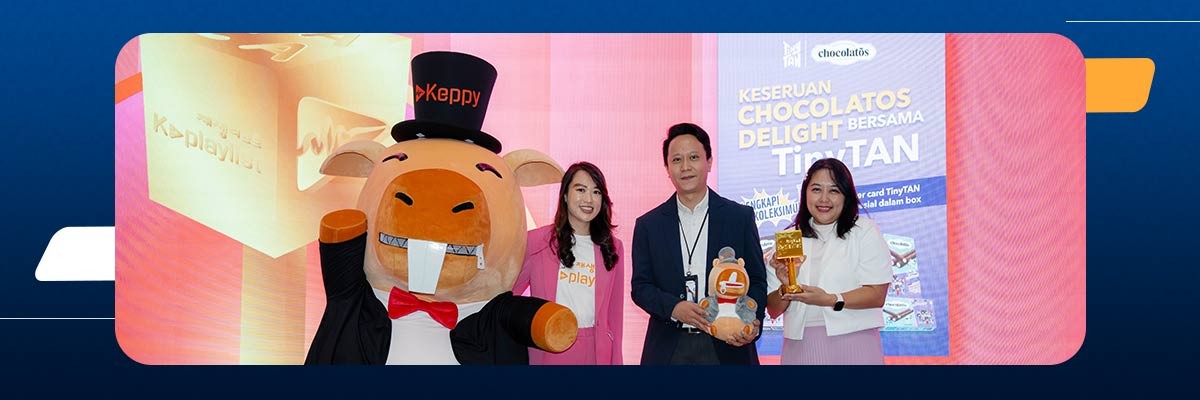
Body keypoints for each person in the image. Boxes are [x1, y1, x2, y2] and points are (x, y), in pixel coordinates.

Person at [631, 122, 767, 365]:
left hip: (728, 344)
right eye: (677, 160)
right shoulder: (648, 225)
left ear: (709, 162)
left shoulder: (739, 218)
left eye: (693, 157)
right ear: (667, 168)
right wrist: (674, 307)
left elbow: (757, 280)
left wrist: (752, 322)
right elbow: (641, 287)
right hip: (668, 347)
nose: (685, 167)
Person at [764, 158, 892, 365]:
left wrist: (831, 299)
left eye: (834, 190)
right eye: (816, 189)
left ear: (846, 196)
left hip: (855, 342)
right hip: (799, 347)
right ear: (805, 193)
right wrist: (786, 287)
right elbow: (773, 310)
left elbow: (877, 295)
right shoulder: (788, 238)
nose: (824, 199)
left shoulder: (864, 231)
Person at [515, 162, 624, 365]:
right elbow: (509, 298)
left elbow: (615, 315)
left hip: (595, 351)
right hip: (549, 347)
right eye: (580, 190)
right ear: (565, 195)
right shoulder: (536, 241)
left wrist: (616, 361)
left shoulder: (613, 247)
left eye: (596, 192)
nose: (588, 199)